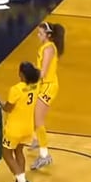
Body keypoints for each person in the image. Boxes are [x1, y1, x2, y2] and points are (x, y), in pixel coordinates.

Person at [2, 63, 40, 182]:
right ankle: (19, 181)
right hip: (28, 128)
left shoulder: (16, 89)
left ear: (22, 74)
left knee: (6, 154)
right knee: (19, 152)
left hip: (14, 129)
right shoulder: (35, 87)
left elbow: (8, 108)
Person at [31, 22, 65, 170]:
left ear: (48, 35)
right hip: (44, 85)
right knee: (34, 116)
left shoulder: (49, 49)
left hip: (48, 86)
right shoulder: (46, 47)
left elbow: (43, 73)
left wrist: (29, 76)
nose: (38, 36)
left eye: (40, 34)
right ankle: (37, 139)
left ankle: (45, 156)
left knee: (38, 120)